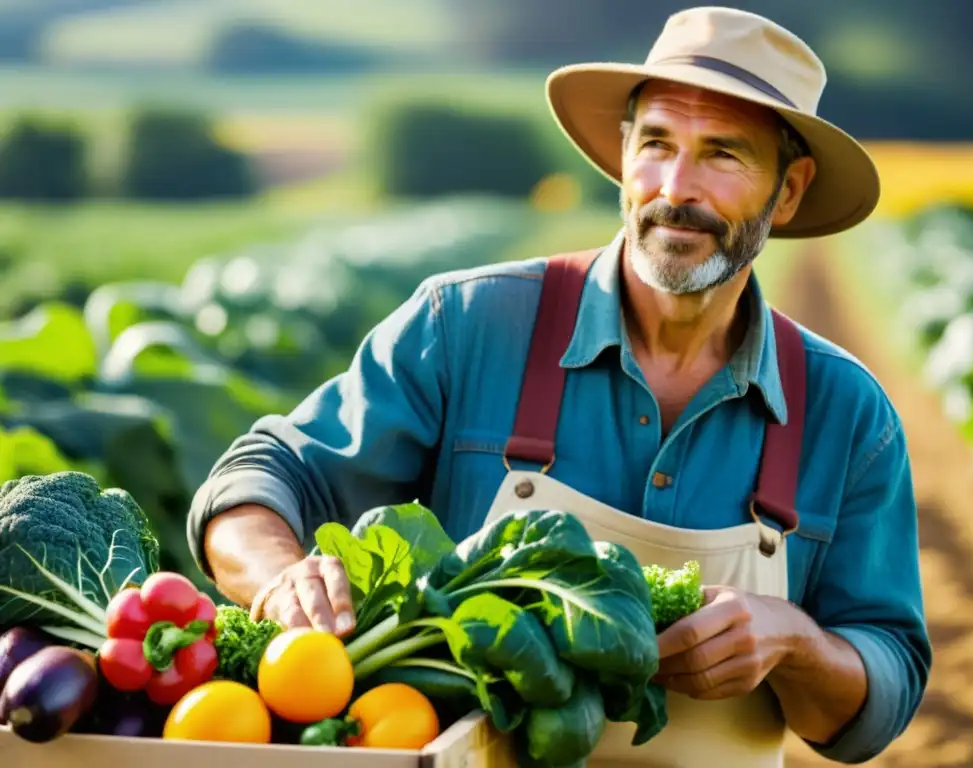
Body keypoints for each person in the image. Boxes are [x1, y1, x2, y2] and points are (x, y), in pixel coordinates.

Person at [187, 7, 931, 766]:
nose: (677, 188)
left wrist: (797, 644)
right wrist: (282, 580)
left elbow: (888, 681)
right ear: (623, 157)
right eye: (656, 145)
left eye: (722, 156)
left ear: (792, 189)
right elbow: (263, 476)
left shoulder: (848, 416)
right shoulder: (468, 325)